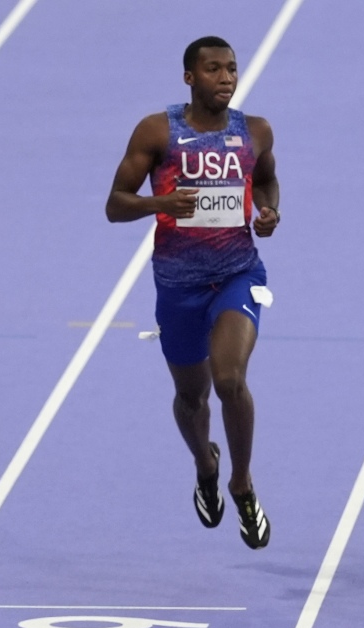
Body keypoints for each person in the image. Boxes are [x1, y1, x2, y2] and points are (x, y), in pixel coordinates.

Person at [105, 35, 279, 548]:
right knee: (190, 396)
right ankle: (206, 463)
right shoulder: (158, 130)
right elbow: (115, 204)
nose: (225, 77)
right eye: (213, 69)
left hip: (237, 274)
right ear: (189, 77)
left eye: (231, 69)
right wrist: (161, 203)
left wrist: (270, 212)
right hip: (177, 284)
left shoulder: (256, 132)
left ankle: (242, 483)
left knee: (229, 380)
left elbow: (267, 181)